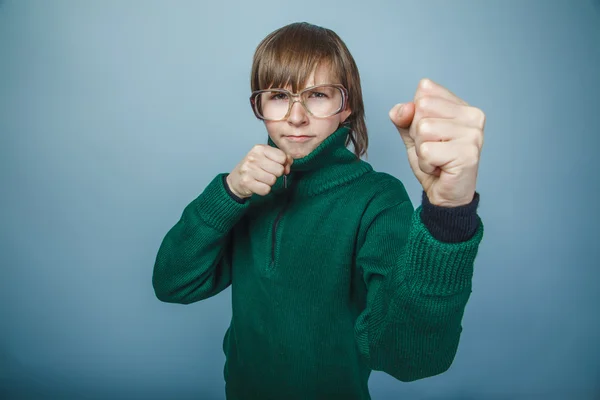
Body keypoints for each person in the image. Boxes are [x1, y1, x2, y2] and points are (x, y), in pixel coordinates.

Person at [152, 21, 485, 400]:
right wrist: (229, 192)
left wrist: (447, 217)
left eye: (318, 95)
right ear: (259, 105)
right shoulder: (245, 191)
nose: (296, 117)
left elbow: (409, 360)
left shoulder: (379, 199)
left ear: (346, 108)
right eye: (278, 95)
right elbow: (172, 284)